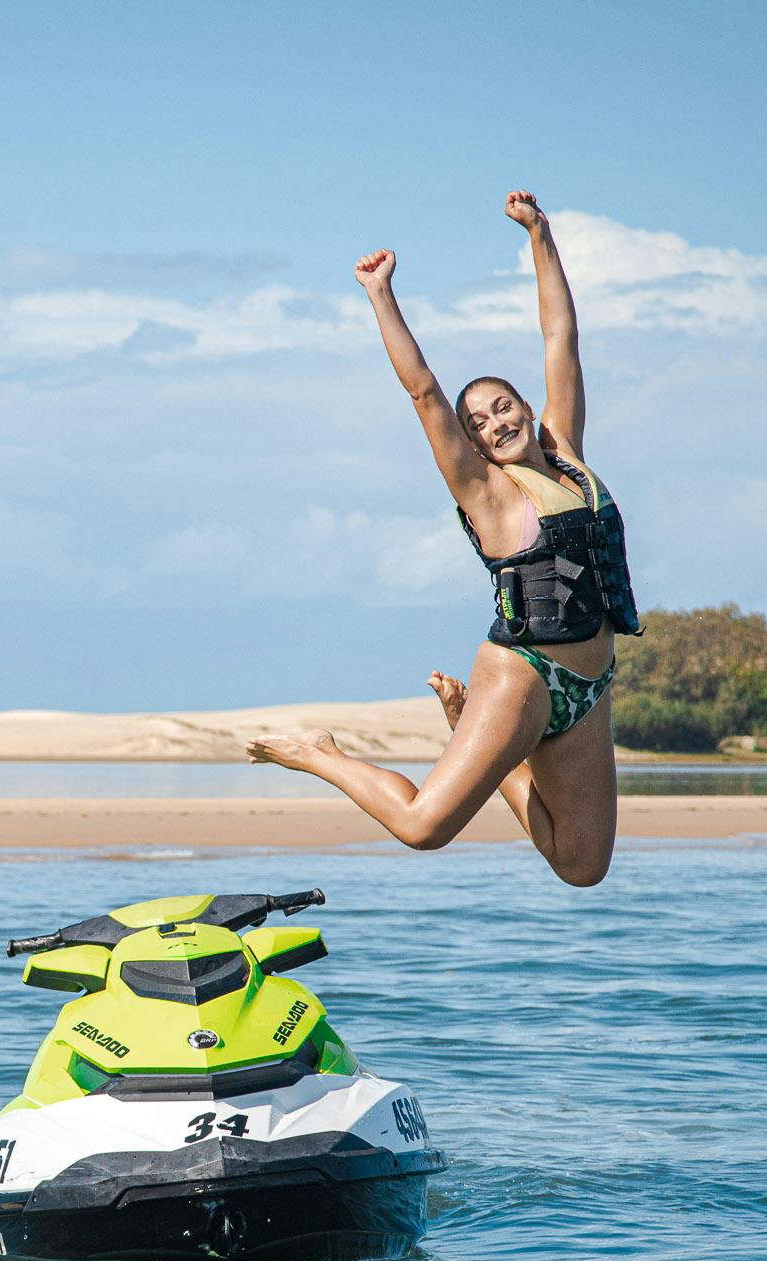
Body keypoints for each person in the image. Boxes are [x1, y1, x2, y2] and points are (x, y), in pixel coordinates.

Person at [246, 192, 640, 886]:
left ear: (525, 405)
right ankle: (321, 753)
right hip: (524, 675)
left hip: (592, 680)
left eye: (503, 406)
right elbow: (425, 393)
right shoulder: (489, 495)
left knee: (581, 866)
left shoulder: (571, 457)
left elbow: (560, 338)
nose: (494, 423)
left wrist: (540, 236)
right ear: (475, 444)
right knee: (423, 827)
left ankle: (470, 731)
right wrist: (380, 294)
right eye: (480, 423)